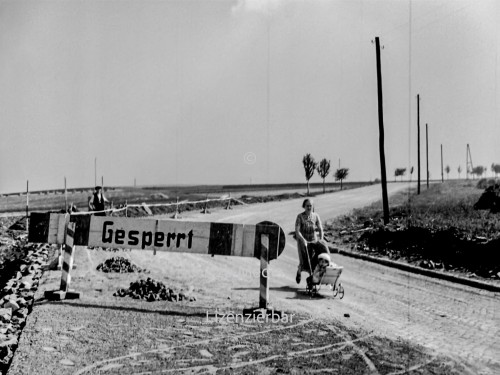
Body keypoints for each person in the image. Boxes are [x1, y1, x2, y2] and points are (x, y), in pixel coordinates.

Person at [295, 198, 329, 284]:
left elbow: (321, 229)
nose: (309, 207)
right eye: (307, 206)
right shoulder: (300, 217)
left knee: (314, 260)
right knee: (304, 261)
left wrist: (321, 240)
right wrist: (303, 240)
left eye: (310, 206)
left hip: (313, 241)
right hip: (303, 242)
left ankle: (313, 277)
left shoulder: (316, 216)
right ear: (304, 206)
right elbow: (297, 231)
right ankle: (299, 272)